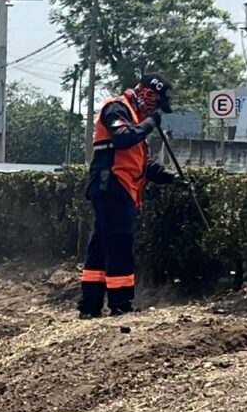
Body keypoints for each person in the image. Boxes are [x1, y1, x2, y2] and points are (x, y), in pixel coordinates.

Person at [78, 73, 185, 318]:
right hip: (112, 186)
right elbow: (124, 139)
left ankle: (90, 306)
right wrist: (149, 125)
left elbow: (139, 165)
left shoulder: (134, 118)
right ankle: (121, 305)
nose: (155, 109)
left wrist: (171, 178)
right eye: (156, 103)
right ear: (148, 94)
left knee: (100, 246)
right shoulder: (116, 108)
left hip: (118, 188)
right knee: (119, 245)